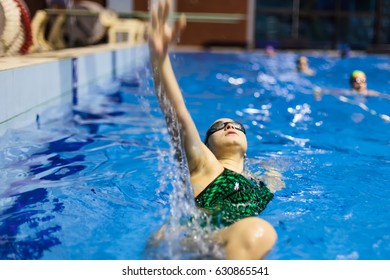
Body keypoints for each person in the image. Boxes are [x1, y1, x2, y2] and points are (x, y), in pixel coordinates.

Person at [147, 0, 279, 260]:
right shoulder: (205, 165)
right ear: (206, 144)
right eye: (219, 127)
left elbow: (276, 179)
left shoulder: (261, 185)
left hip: (233, 247)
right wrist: (159, 58)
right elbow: (177, 114)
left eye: (237, 126)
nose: (229, 126)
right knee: (258, 231)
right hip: (195, 244)